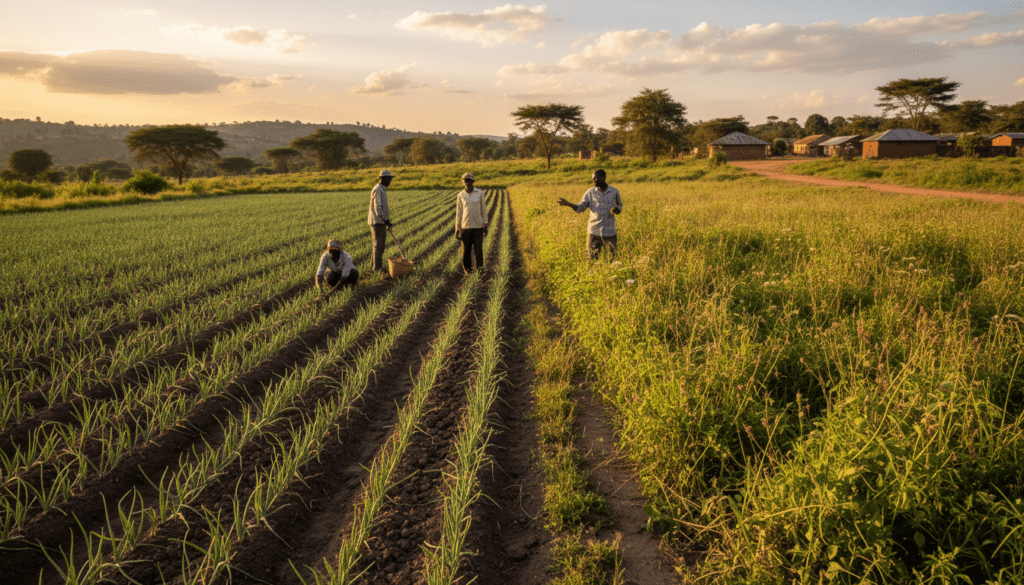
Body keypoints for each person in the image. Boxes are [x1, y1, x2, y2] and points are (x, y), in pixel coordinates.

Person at [557, 169, 622, 260]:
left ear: (603, 177)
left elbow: (619, 206)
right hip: (593, 231)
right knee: (591, 259)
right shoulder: (590, 192)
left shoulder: (614, 192)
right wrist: (568, 204)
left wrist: (616, 210)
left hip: (609, 231)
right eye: (592, 179)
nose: (594, 180)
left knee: (613, 258)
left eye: (596, 178)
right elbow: (580, 208)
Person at [455, 172, 489, 274]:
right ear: (463, 182)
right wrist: (457, 227)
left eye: (468, 180)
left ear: (472, 181)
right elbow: (459, 212)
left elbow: (483, 209)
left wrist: (485, 224)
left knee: (478, 250)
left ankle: (479, 268)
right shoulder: (460, 195)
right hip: (465, 227)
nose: (466, 182)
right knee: (466, 251)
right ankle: (468, 270)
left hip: (478, 227)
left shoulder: (479, 193)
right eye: (465, 180)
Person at [368, 169, 395, 274]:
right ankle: (377, 269)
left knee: (380, 245)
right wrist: (386, 220)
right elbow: (378, 208)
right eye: (389, 179)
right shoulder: (378, 190)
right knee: (378, 246)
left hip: (380, 221)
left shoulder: (381, 189)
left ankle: (377, 267)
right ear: (383, 179)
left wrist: (386, 220)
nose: (390, 181)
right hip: (377, 222)